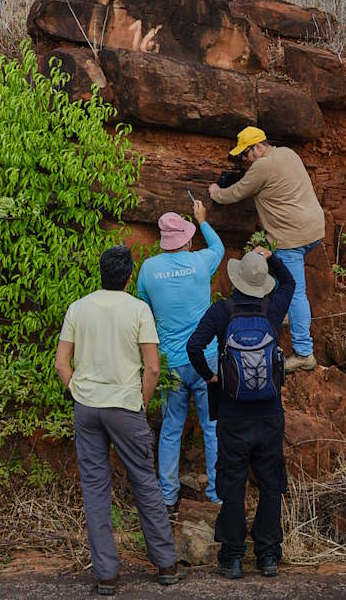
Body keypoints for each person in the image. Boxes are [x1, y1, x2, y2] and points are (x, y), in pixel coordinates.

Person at [55, 245, 179, 595]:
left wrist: (78, 393)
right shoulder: (138, 309)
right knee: (144, 482)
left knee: (95, 487)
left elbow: (62, 363)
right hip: (125, 406)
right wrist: (141, 402)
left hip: (87, 407)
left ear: (101, 273)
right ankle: (166, 563)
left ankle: (106, 575)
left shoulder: (78, 308)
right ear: (129, 277)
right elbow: (153, 367)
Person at [186, 245, 295, 579]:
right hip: (269, 414)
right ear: (262, 284)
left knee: (232, 485)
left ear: (236, 280)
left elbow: (193, 346)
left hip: (232, 415)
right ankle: (267, 557)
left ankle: (232, 558)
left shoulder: (223, 311)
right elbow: (289, 283)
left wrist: (211, 377)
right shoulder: (272, 310)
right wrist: (271, 258)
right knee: (269, 483)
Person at [208, 126, 324, 373]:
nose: (244, 162)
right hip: (313, 230)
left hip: (292, 238)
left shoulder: (262, 166)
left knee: (296, 292)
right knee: (277, 269)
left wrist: (216, 193)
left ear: (258, 147)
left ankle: (304, 353)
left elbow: (237, 192)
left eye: (245, 156)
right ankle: (282, 312)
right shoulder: (288, 153)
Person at [137, 199, 224, 512]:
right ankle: (216, 494)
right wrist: (202, 220)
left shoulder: (148, 269)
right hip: (207, 361)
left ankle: (168, 495)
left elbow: (142, 307)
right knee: (213, 426)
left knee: (172, 428)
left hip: (172, 363)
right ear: (186, 239)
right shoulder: (201, 262)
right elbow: (220, 248)